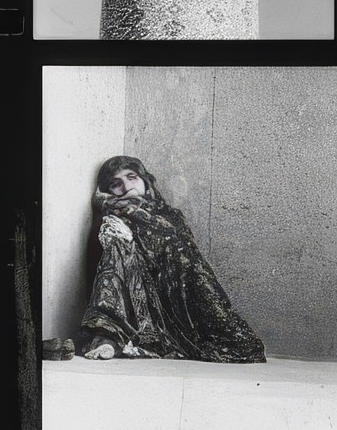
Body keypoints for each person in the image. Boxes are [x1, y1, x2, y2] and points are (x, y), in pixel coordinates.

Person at [81, 155, 266, 363]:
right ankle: (107, 337)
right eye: (115, 184)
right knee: (116, 244)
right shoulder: (114, 217)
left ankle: (132, 340)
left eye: (131, 177)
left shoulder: (170, 215)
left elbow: (186, 262)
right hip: (137, 293)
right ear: (108, 190)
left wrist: (116, 204)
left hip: (176, 300)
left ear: (145, 181)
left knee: (240, 344)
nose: (125, 186)